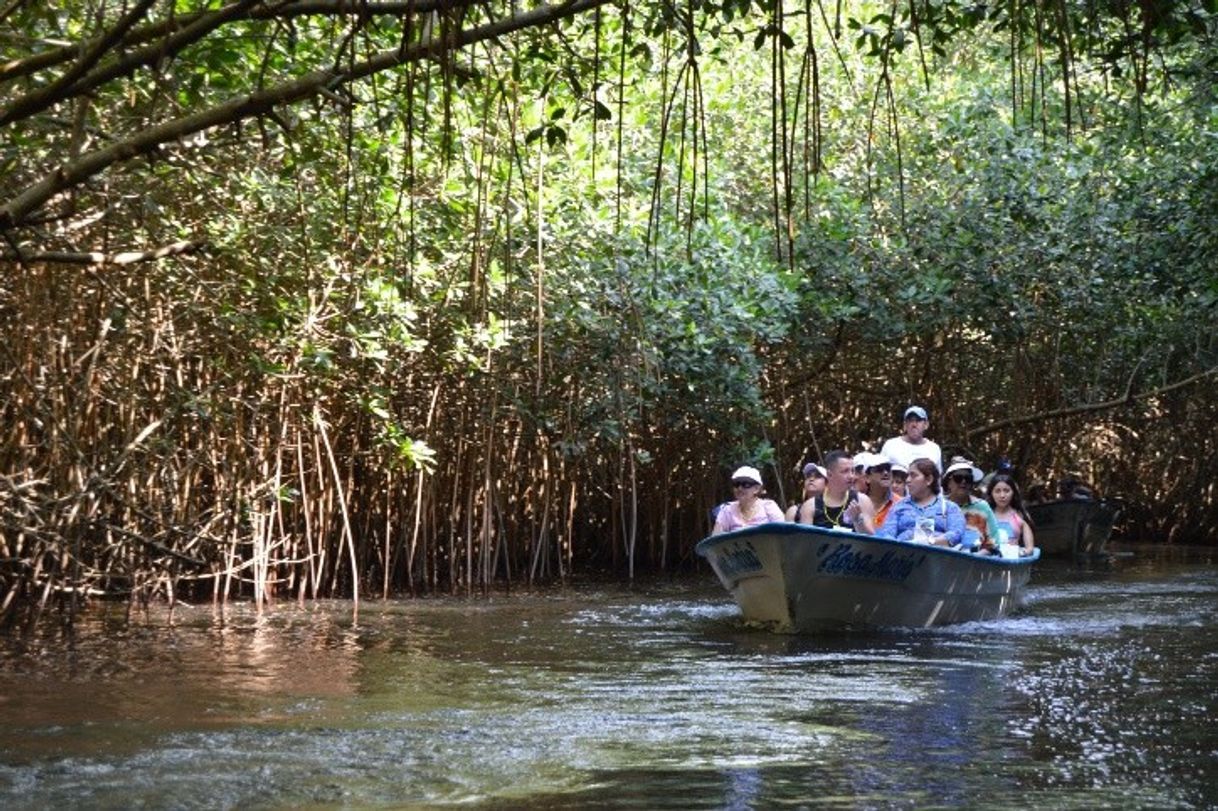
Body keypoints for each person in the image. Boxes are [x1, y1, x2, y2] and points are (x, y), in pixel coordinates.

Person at [877, 458, 964, 546]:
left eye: (913, 475)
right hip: (902, 555)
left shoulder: (949, 508)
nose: (907, 480)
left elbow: (956, 534)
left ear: (929, 479)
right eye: (908, 476)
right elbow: (887, 535)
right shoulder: (898, 507)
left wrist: (928, 542)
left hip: (937, 555)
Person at [807, 450, 877, 534]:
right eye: (845, 471)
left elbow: (873, 541)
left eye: (852, 471)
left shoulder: (862, 501)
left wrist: (858, 520)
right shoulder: (810, 506)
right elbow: (805, 544)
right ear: (829, 474)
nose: (851, 476)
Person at [943, 457, 1001, 553]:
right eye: (958, 478)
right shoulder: (939, 505)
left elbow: (995, 540)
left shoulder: (982, 507)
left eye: (968, 478)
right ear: (948, 482)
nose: (963, 482)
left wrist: (980, 555)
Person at [712, 466, 785, 535]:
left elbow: (782, 534)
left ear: (756, 489)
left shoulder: (769, 507)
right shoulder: (727, 510)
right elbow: (715, 541)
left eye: (745, 484)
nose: (740, 488)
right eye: (736, 484)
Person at [879, 405, 943, 473]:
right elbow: (880, 473)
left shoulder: (934, 449)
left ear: (926, 425)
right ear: (905, 425)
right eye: (910, 421)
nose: (914, 425)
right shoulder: (890, 446)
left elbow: (938, 478)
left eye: (918, 420)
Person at [986, 472, 1036, 556]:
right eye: (997, 491)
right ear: (991, 493)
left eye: (1006, 491)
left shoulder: (1020, 516)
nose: (1002, 495)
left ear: (1013, 492)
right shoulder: (985, 516)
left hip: (1011, 562)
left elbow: (1030, 549)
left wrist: (1020, 553)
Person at [857, 452, 899, 529]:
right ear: (867, 478)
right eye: (879, 469)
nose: (886, 473)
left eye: (888, 468)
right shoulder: (856, 502)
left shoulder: (901, 503)